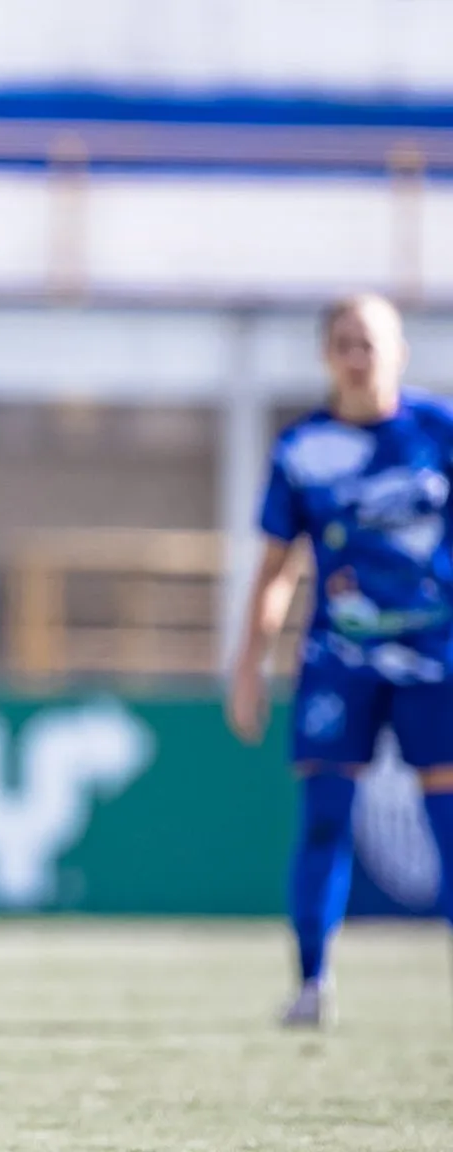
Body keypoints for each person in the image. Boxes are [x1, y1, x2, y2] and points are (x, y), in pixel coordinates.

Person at [227, 293, 453, 1028]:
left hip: (435, 659)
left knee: (447, 818)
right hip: (339, 660)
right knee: (326, 817)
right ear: (327, 355)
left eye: (371, 343)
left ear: (400, 352)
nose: (359, 357)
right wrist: (249, 663)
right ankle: (312, 982)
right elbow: (277, 568)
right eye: (345, 344)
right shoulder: (302, 449)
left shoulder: (439, 433)